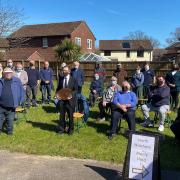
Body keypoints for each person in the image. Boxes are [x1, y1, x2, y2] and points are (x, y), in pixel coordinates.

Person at [0, 68, 25, 135]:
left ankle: (9, 132)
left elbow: (22, 92)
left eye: (9, 72)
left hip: (12, 105)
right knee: (0, 119)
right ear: (4, 74)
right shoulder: (0, 81)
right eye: (6, 73)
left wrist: (20, 102)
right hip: (1, 105)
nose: (8, 74)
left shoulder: (17, 81)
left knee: (10, 120)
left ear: (12, 73)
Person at [56, 66, 77, 135]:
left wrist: (71, 95)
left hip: (70, 101)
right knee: (61, 116)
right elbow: (58, 88)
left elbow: (76, 90)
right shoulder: (61, 79)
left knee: (70, 116)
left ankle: (70, 130)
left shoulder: (73, 79)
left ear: (69, 71)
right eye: (63, 70)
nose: (64, 72)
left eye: (65, 70)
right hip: (62, 100)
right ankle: (61, 129)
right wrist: (57, 95)